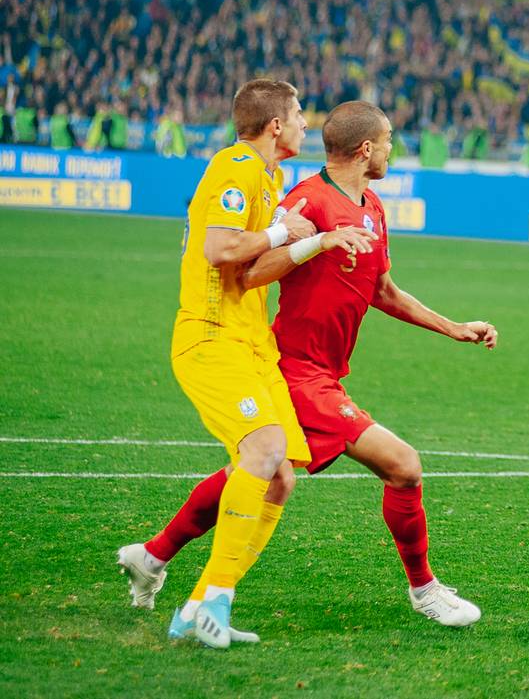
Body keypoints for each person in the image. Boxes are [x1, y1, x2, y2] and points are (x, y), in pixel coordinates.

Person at [119, 102, 497, 628]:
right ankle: (425, 591)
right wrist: (316, 241)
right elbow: (254, 269)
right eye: (388, 141)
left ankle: (154, 556)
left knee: (262, 475)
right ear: (367, 148)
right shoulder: (306, 199)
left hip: (325, 372)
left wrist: (452, 326)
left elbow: (383, 289)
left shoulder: (373, 206)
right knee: (403, 466)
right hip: (296, 370)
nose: (392, 150)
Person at [126, 80, 334, 648]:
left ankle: (195, 606)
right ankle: (216, 601)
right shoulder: (236, 164)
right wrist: (279, 231)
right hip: (212, 337)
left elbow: (247, 272)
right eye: (296, 114)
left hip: (250, 343)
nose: (303, 124)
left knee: (279, 479)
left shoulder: (268, 178)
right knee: (264, 451)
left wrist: (313, 244)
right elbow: (220, 249)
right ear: (273, 126)